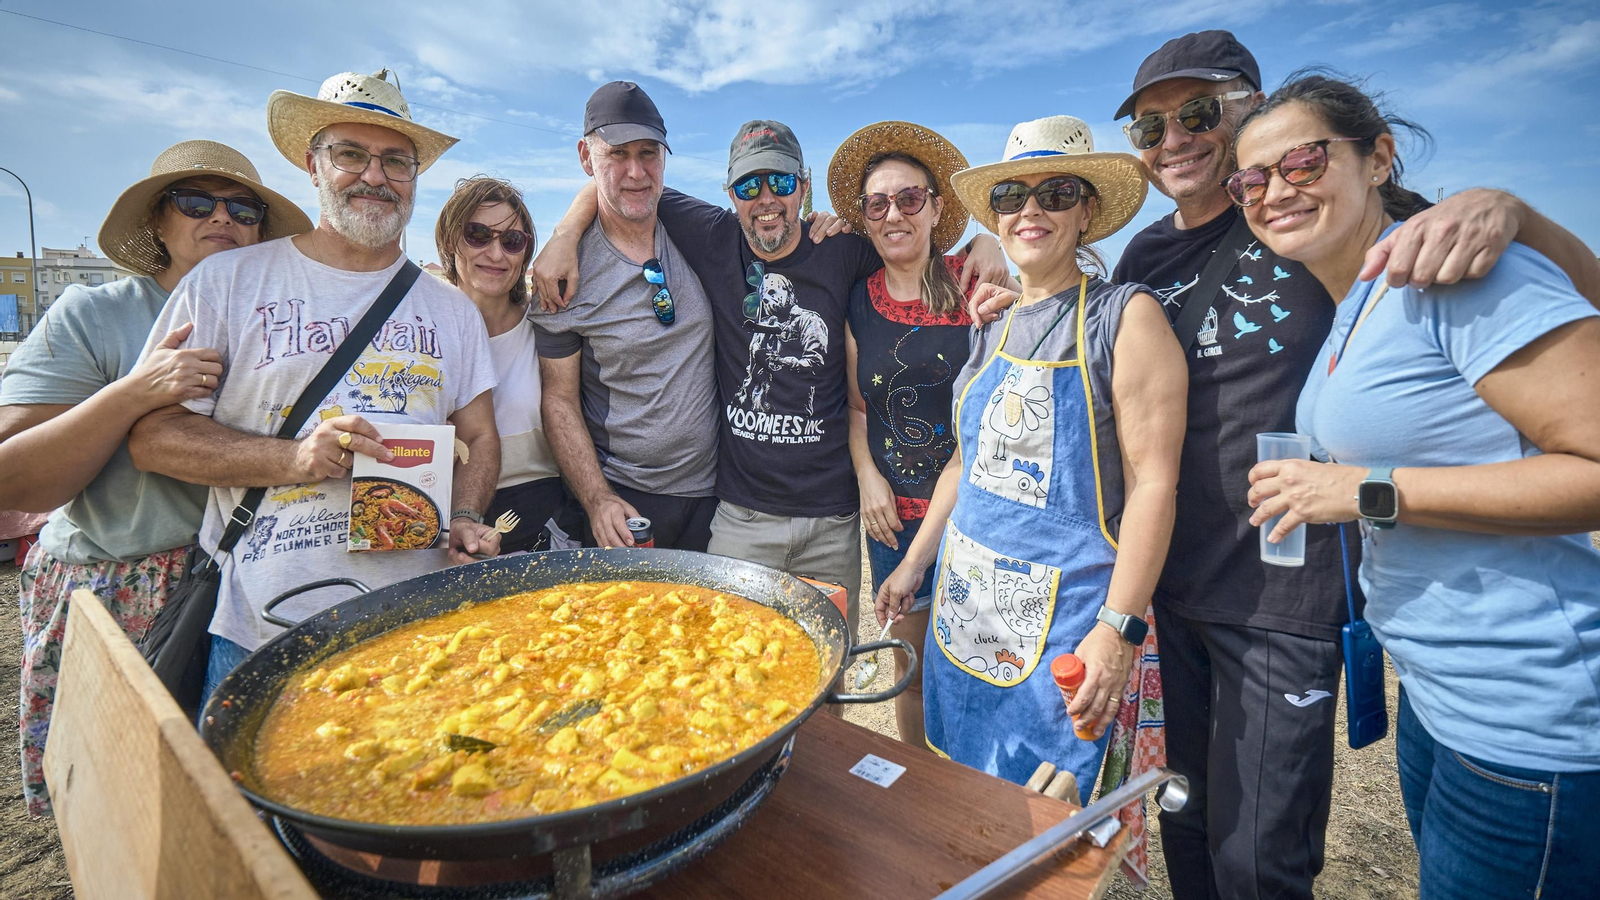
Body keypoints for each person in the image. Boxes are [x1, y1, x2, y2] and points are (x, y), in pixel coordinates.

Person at [973, 32, 1600, 900]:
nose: (1175, 140)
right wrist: (1031, 307)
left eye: (1198, 115)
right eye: (1149, 128)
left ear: (1249, 115)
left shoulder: (1315, 223)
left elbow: (1525, 288)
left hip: (1284, 595)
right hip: (1177, 584)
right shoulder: (1154, 256)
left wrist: (1511, 210)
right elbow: (1104, 351)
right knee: (1182, 816)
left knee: (1259, 858)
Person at [1237, 73, 1600, 900]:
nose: (1273, 192)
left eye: (1300, 162)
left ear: (1379, 158)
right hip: (1440, 698)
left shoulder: (1455, 273)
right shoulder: (1357, 302)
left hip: (1531, 720)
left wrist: (1362, 491)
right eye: (1251, 181)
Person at [534, 116, 1011, 635]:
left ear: (803, 189)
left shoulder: (845, 249)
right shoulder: (713, 236)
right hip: (742, 518)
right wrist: (564, 233)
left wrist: (988, 244)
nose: (766, 199)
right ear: (731, 194)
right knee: (731, 671)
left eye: (781, 183)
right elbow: (623, 181)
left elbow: (910, 240)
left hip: (833, 521)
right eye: (748, 185)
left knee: (827, 674)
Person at [126, 69, 501, 704]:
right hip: (264, 627)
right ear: (312, 164)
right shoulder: (227, 284)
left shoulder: (451, 309)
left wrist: (465, 515)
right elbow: (153, 438)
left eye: (396, 161)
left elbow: (480, 434)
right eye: (351, 154)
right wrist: (294, 458)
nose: (375, 176)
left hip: (420, 621)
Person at [879, 115, 1185, 814]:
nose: (1031, 210)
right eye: (1014, 195)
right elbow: (965, 463)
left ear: (1087, 211)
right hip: (965, 622)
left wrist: (1118, 628)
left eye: (1056, 192)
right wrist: (913, 564)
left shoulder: (1123, 318)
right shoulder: (993, 323)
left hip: (1063, 637)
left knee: (1043, 831)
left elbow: (1155, 486)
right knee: (960, 808)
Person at [0, 140, 312, 816]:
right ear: (157, 223)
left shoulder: (280, 321)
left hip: (238, 581)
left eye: (244, 208)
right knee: (114, 802)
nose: (221, 218)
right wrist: (132, 394)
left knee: (225, 797)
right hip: (120, 579)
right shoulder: (97, 314)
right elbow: (12, 477)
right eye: (196, 203)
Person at [827, 121, 1018, 747]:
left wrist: (992, 240)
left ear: (938, 207)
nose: (894, 214)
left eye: (910, 198)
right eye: (878, 204)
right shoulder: (858, 300)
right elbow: (858, 410)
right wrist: (867, 478)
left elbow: (993, 423)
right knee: (905, 675)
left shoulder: (977, 287)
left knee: (978, 672)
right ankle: (918, 786)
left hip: (975, 519)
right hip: (892, 523)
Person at [531, 82, 719, 551]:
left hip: (719, 498)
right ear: (586, 157)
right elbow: (558, 401)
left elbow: (765, 222)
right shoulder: (562, 277)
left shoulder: (695, 229)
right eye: (617, 154)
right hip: (628, 503)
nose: (636, 172)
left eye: (649, 153)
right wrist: (598, 500)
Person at [434, 175, 579, 552]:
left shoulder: (546, 327)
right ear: (451, 241)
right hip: (446, 524)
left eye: (512, 241)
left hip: (543, 521)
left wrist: (565, 236)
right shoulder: (425, 333)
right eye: (478, 235)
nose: (496, 254)